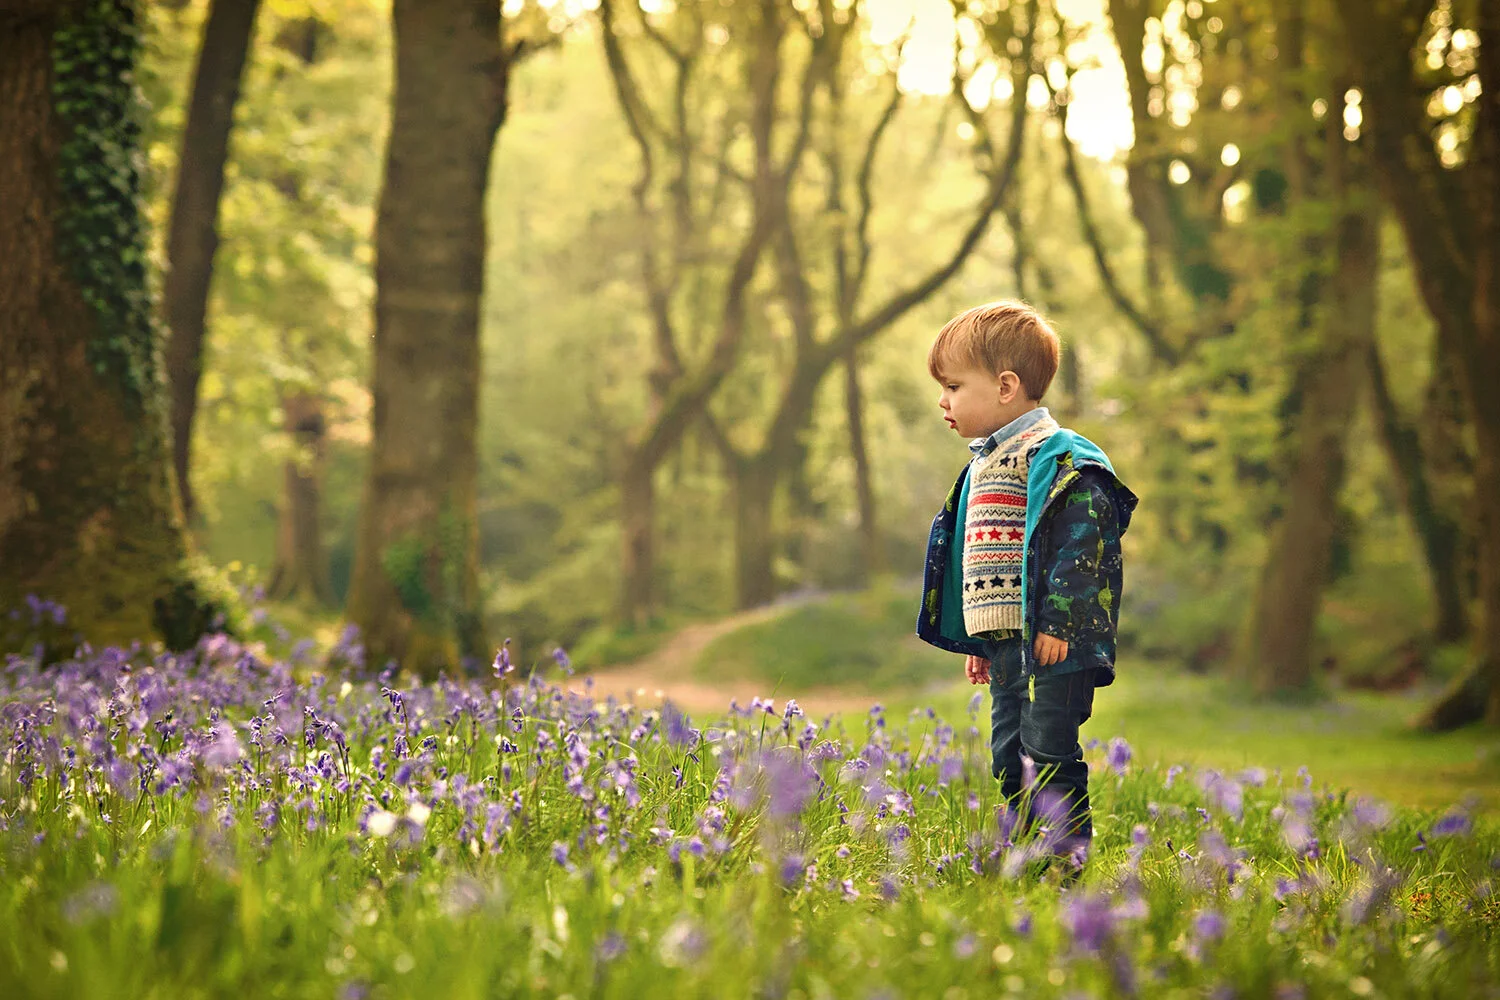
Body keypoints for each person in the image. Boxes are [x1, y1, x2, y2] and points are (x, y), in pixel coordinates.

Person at [915, 300, 1138, 875]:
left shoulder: (1056, 459)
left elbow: (1083, 547)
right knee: (1008, 754)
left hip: (1054, 643)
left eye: (953, 386)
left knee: (1049, 749)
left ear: (1005, 386)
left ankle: (1065, 860)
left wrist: (1060, 623)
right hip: (1008, 646)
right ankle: (1025, 852)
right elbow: (983, 560)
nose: (943, 401)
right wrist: (980, 638)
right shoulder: (986, 464)